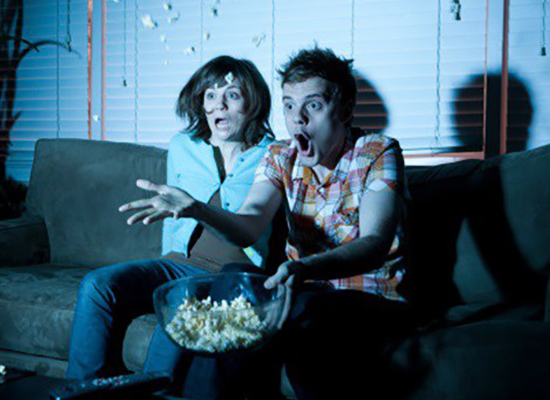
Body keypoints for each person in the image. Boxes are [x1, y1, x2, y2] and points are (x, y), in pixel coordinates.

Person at [120, 46, 416, 399]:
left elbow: (375, 243)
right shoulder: (280, 155)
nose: (297, 120)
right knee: (233, 280)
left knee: (297, 312)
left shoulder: (377, 151)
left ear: (346, 110)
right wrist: (197, 209)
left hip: (371, 297)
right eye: (289, 106)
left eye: (313, 106)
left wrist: (304, 268)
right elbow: (249, 225)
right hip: (302, 290)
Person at [65, 55, 276, 389]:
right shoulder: (183, 146)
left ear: (253, 103)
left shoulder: (274, 155)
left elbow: (255, 226)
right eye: (210, 95)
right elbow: (171, 216)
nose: (219, 104)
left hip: (230, 278)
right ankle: (83, 392)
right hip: (176, 264)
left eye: (232, 95)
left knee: (180, 303)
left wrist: (196, 208)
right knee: (97, 285)